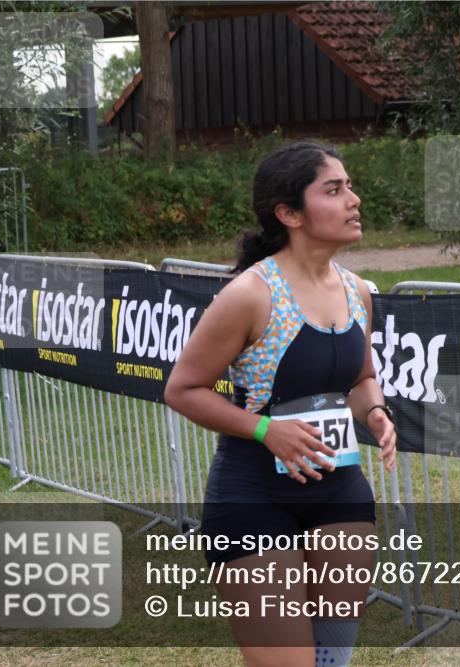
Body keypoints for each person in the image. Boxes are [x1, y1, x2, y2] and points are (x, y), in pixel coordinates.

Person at [164, 141, 397, 667]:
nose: (353, 199)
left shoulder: (357, 291)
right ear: (289, 213)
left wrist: (376, 413)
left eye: (349, 186)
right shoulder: (251, 294)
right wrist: (266, 430)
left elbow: (362, 377)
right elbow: (183, 389)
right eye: (333, 190)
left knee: (331, 660)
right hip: (254, 500)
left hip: (341, 498)